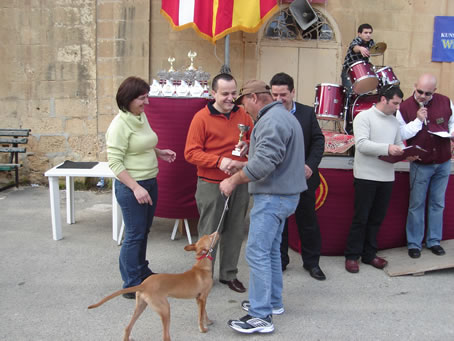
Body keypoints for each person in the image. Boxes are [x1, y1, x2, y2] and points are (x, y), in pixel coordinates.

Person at [220, 80, 307, 334]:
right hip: (282, 195)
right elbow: (271, 159)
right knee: (269, 252)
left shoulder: (271, 121)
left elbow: (264, 166)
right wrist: (242, 164)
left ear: (255, 98)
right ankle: (272, 302)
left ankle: (260, 315)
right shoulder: (281, 115)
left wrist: (232, 180)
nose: (243, 108)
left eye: (243, 101)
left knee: (256, 252)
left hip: (274, 197)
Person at [106, 76, 176, 298]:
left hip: (149, 183)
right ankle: (130, 283)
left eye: (147, 97)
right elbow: (115, 163)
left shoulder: (140, 116)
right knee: (134, 234)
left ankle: (141, 272)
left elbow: (141, 143)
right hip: (132, 188)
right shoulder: (119, 125)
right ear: (128, 99)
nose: (146, 102)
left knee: (143, 231)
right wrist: (136, 187)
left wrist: (159, 152)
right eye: (142, 98)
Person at [184, 73, 253, 293]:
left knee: (235, 230)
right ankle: (203, 277)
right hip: (211, 183)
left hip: (239, 182)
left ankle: (229, 274)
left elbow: (254, 138)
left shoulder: (243, 114)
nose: (230, 98)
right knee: (208, 233)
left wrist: (248, 145)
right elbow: (191, 153)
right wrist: (218, 161)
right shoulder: (201, 118)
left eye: (234, 93)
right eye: (224, 93)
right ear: (213, 93)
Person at [269, 72, 326, 280]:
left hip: (304, 180)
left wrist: (310, 165)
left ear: (292, 92)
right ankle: (281, 261)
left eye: (283, 94)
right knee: (279, 225)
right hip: (278, 180)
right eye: (274, 94)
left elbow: (319, 141)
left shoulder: (307, 113)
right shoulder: (267, 114)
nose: (278, 99)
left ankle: (312, 263)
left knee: (307, 222)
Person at [344, 85, 405, 274]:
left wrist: (405, 152)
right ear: (384, 99)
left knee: (377, 218)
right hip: (366, 176)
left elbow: (399, 143)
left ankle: (369, 254)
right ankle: (352, 255)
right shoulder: (364, 117)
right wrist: (388, 148)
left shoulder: (394, 122)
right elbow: (361, 145)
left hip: (387, 176)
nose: (397, 108)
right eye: (395, 103)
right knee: (360, 218)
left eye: (399, 104)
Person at [396, 73, 454, 259]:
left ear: (434, 92)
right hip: (421, 163)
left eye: (428, 93)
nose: (422, 95)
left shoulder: (445, 101)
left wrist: (451, 132)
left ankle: (434, 241)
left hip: (443, 161)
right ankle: (414, 243)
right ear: (415, 86)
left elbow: (452, 121)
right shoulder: (404, 107)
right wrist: (418, 120)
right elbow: (401, 134)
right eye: (420, 91)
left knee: (438, 203)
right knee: (417, 204)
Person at [341, 23, 375, 94]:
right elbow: (354, 47)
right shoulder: (357, 40)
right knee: (350, 93)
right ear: (359, 34)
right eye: (365, 33)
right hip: (348, 71)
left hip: (362, 71)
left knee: (364, 93)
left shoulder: (371, 42)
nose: (368, 35)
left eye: (370, 33)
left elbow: (375, 50)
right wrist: (360, 48)